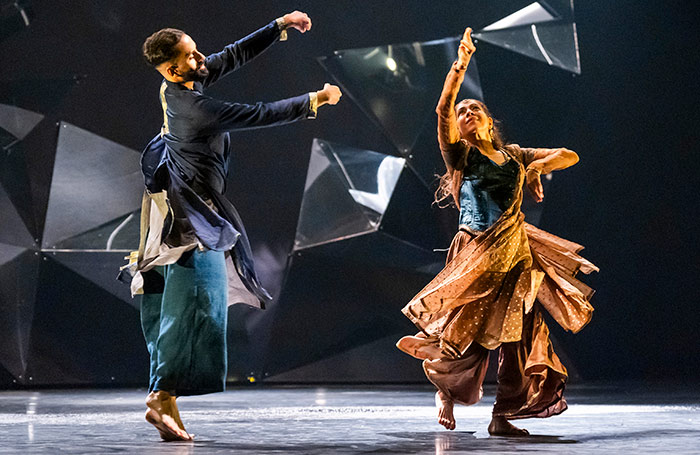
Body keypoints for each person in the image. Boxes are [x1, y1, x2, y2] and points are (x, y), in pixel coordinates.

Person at [125, 11, 342, 441]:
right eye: (191, 55)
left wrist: (279, 25)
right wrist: (315, 100)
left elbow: (232, 55)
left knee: (195, 304)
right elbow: (257, 114)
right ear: (172, 68)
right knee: (194, 307)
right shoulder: (193, 108)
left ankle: (164, 400)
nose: (201, 57)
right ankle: (160, 396)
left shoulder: (181, 83)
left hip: (192, 212)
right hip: (191, 220)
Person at [396, 27, 598, 435]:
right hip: (476, 252)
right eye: (462, 113)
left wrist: (535, 167)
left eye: (474, 111)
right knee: (464, 331)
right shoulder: (461, 156)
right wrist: (460, 65)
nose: (466, 115)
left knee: (517, 336)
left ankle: (502, 416)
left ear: (489, 121)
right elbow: (441, 111)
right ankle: (447, 391)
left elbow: (569, 155)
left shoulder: (514, 155)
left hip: (517, 257)